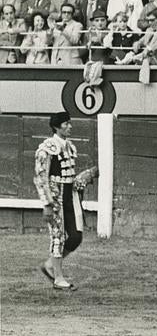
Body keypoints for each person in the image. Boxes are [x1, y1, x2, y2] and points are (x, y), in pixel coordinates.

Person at [34, 112, 98, 291]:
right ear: (57, 127)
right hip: (56, 197)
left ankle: (49, 265)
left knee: (76, 237)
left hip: (70, 196)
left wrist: (85, 176)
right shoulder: (46, 148)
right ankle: (59, 278)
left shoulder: (70, 146)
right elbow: (41, 177)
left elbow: (69, 178)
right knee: (58, 236)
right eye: (66, 124)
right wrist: (46, 203)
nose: (70, 127)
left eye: (70, 124)